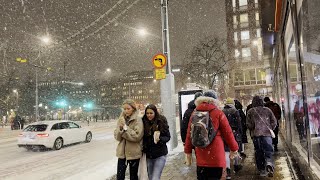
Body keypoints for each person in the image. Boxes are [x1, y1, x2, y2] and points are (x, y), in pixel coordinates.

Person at [184, 90, 239, 180]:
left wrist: (188, 151)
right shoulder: (218, 113)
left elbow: (189, 134)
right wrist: (234, 148)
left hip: (201, 158)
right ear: (214, 100)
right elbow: (228, 133)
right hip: (216, 158)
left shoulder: (194, 113)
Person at [247, 95, 277, 177]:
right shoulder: (267, 110)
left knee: (258, 152)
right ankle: (269, 163)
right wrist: (270, 128)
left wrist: (254, 127)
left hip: (256, 136)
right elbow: (274, 122)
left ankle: (262, 170)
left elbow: (249, 125)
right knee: (269, 151)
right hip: (267, 135)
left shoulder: (250, 111)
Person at [114, 99, 144, 180]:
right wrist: (120, 129)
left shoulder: (138, 120)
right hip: (122, 153)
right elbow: (117, 137)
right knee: (120, 177)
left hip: (134, 153)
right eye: (124, 109)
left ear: (133, 109)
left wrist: (125, 129)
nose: (126, 111)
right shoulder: (121, 119)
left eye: (128, 108)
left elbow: (137, 136)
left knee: (133, 177)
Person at [142, 104, 170, 180]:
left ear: (155, 113)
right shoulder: (143, 122)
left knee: (155, 177)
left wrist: (159, 139)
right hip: (148, 155)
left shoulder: (161, 121)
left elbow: (167, 137)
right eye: (147, 113)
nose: (149, 115)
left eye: (151, 113)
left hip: (160, 154)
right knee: (151, 177)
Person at [222, 97, 243, 179]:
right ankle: (236, 165)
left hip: (225, 134)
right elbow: (239, 123)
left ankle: (228, 171)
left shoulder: (222, 111)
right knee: (235, 149)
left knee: (226, 152)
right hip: (234, 133)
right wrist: (240, 132)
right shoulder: (235, 111)